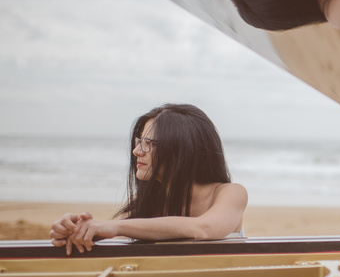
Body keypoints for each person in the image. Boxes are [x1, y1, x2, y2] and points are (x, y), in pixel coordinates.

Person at [50, 104, 248, 256]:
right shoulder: (144, 201)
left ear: (181, 151)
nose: (136, 151)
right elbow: (114, 241)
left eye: (148, 144)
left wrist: (112, 226)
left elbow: (203, 229)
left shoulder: (230, 193)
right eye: (139, 142)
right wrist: (76, 230)